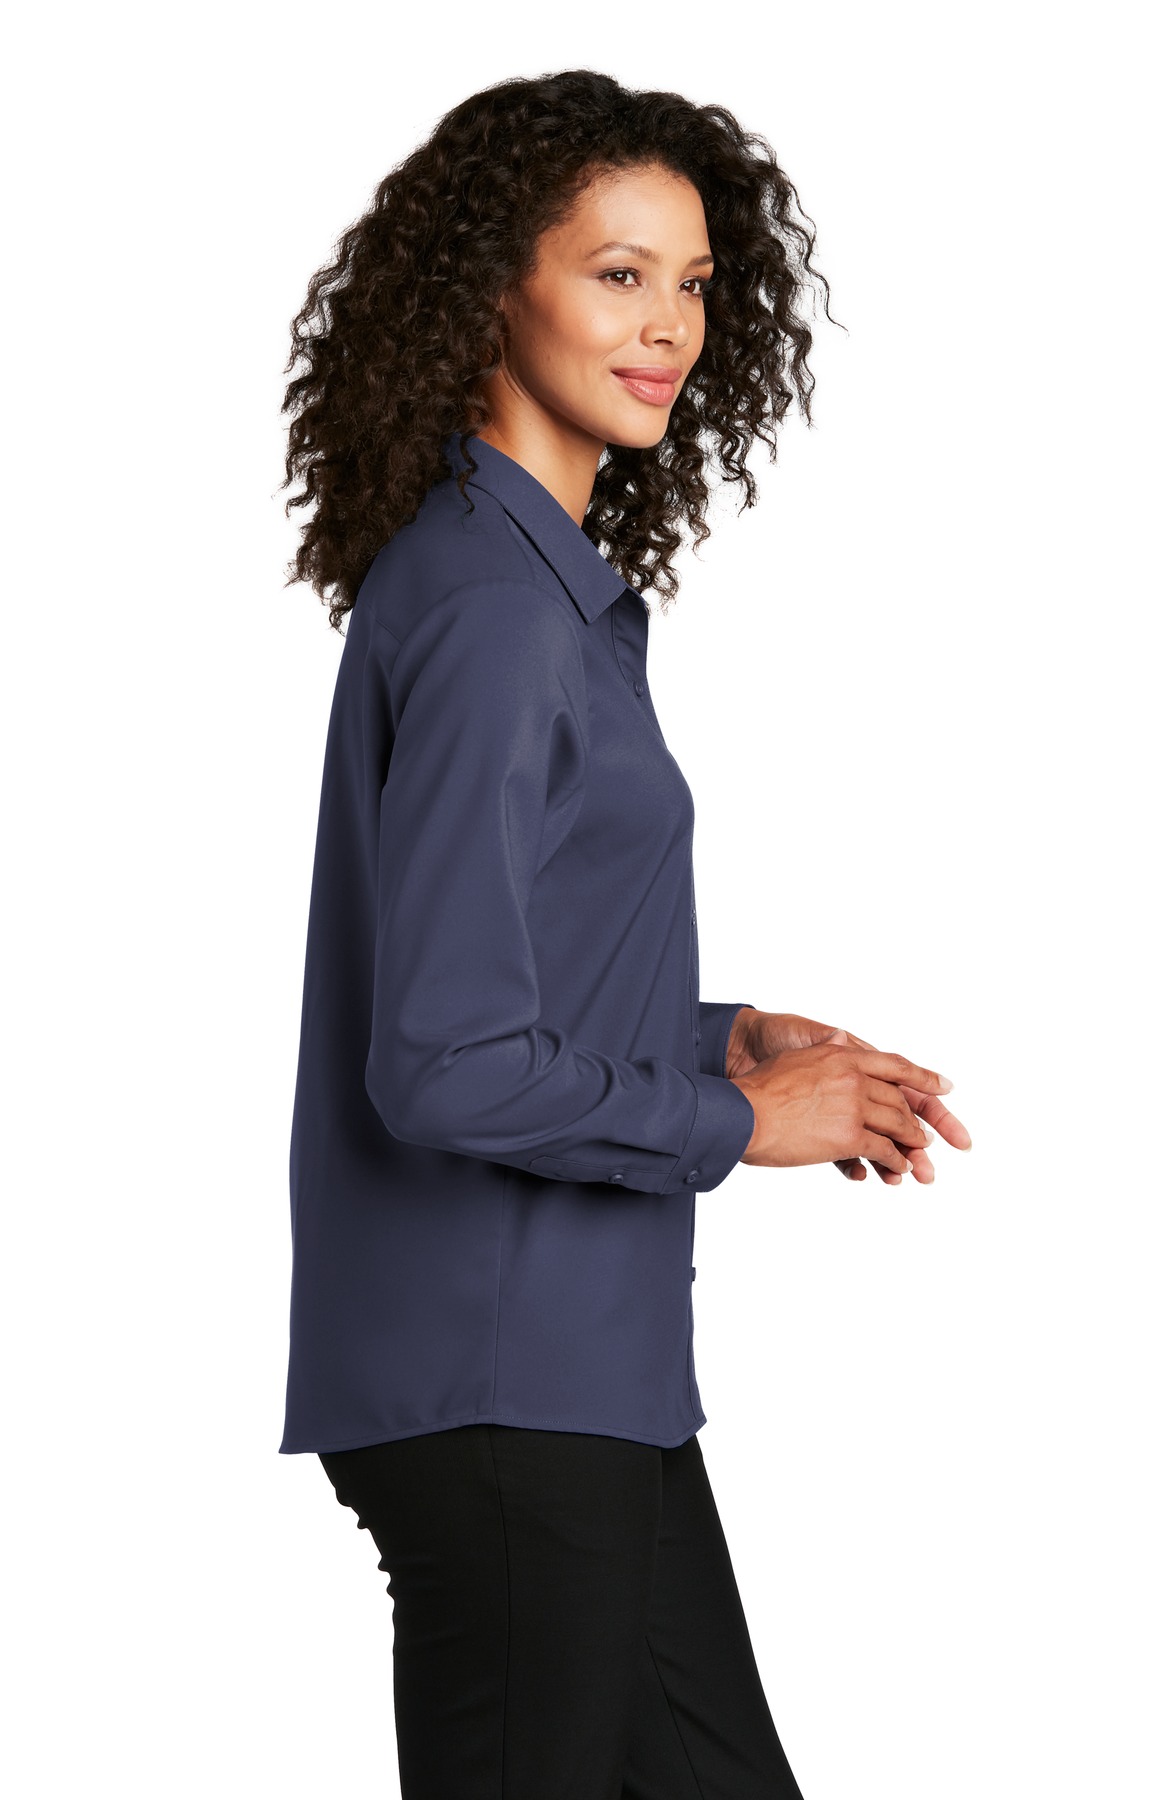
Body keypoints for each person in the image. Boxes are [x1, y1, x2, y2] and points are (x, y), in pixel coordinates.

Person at [277, 68, 971, 1800]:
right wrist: (738, 1122)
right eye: (617, 273)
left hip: (581, 1384)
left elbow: (500, 983)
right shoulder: (497, 616)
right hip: (505, 1383)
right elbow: (443, 1062)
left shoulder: (524, 591)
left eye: (695, 284)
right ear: (488, 289)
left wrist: (717, 1038)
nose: (668, 325)